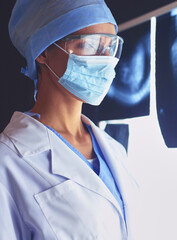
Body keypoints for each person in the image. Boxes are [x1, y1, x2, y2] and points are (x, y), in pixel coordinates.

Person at [0, 0, 137, 239]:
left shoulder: (113, 150)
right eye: (89, 44)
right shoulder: (8, 162)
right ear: (42, 51)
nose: (104, 60)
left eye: (110, 46)